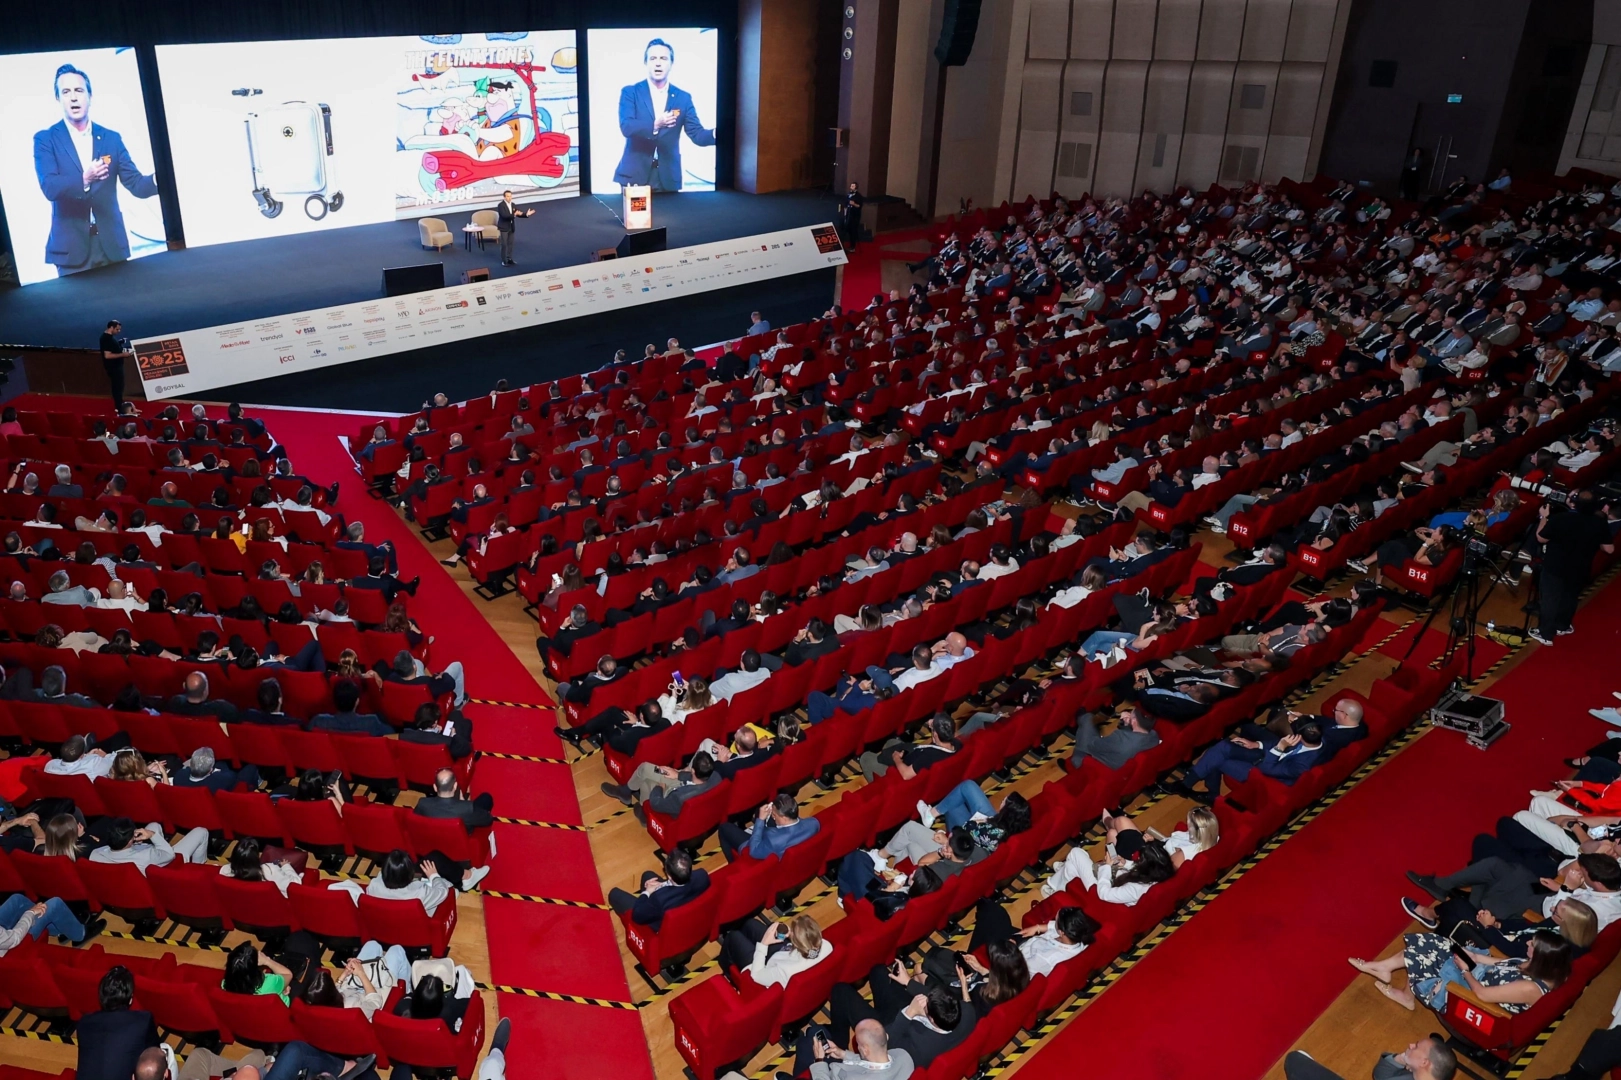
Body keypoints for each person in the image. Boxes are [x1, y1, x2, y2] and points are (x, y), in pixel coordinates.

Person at [33, 63, 160, 277]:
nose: (74, 98)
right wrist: (85, 178)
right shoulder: (46, 139)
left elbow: (136, 184)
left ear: (90, 96)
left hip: (111, 247)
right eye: (66, 92)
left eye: (79, 90)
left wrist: (161, 178)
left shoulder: (111, 138)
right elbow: (50, 187)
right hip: (71, 252)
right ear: (58, 98)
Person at [1348, 928, 1571, 1013]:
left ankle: (1395, 982)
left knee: (1424, 954)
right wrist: (1474, 957)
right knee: (1434, 942)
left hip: (1472, 994)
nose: (1528, 944)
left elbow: (1483, 995)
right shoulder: (1533, 964)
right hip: (1478, 974)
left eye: (1532, 945)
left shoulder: (1530, 988)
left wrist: (1465, 970)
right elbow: (1498, 963)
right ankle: (1386, 970)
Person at [612, 37, 716, 192]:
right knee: (636, 210)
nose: (658, 63)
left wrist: (717, 133)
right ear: (646, 63)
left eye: (663, 58)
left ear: (671, 64)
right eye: (653, 58)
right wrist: (656, 124)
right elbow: (627, 127)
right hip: (634, 176)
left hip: (668, 178)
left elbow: (697, 134)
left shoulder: (683, 98)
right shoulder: (631, 92)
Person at [1532, 491, 1615, 645]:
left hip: (1555, 566)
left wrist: (1544, 517)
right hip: (1580, 568)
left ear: (1574, 503)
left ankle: (1545, 634)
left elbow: (1541, 538)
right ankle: (1562, 626)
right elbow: (1609, 549)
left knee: (1550, 599)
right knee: (1570, 597)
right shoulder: (1599, 523)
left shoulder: (1560, 518)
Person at [75, 965, 159, 1080]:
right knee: (164, 1053)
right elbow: (154, 1052)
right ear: (130, 998)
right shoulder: (143, 1020)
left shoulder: (84, 1023)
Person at [607, 848, 710, 931]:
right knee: (647, 875)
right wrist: (663, 885)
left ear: (669, 876)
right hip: (685, 909)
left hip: (663, 925)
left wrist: (647, 892)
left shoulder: (659, 898)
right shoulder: (703, 875)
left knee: (614, 894)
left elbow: (637, 916)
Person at [719, 912, 832, 988]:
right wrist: (791, 938)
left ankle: (730, 976)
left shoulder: (785, 971)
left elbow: (756, 975)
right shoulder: (826, 945)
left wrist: (764, 944)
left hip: (765, 967)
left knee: (733, 937)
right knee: (750, 924)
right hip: (784, 954)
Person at [1283, 1037, 1457, 1080]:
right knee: (1296, 1061)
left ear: (1424, 1062)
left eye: (1416, 1046)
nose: (1411, 1045)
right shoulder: (1415, 1075)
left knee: (1295, 1062)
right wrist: (1401, 1059)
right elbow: (1379, 1075)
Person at [0, 892, 98, 953]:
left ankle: (64, 927)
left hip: (4, 936)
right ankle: (80, 935)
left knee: (17, 900)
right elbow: (14, 938)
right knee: (55, 904)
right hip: (12, 946)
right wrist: (30, 913)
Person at [493, 190, 534, 267]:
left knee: (510, 244)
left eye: (510, 196)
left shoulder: (513, 205)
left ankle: (509, 259)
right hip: (504, 227)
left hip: (511, 227)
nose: (509, 198)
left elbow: (518, 213)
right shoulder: (501, 205)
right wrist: (514, 214)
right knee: (504, 244)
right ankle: (504, 261)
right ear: (504, 197)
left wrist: (526, 214)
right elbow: (504, 216)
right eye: (507, 196)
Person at [99, 320, 132, 407]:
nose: (119, 331)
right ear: (111, 328)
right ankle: (119, 406)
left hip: (116, 366)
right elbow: (107, 355)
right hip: (114, 368)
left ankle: (119, 403)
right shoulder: (107, 339)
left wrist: (119, 343)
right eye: (117, 329)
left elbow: (111, 347)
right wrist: (123, 355)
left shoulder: (109, 337)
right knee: (118, 387)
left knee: (118, 386)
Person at [842, 182, 864, 250]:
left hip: (855, 216)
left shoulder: (858, 196)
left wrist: (854, 204)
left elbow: (859, 206)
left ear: (856, 188)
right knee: (847, 230)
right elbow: (845, 204)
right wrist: (845, 214)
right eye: (851, 186)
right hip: (848, 215)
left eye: (853, 186)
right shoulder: (848, 195)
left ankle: (853, 246)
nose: (851, 187)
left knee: (853, 231)